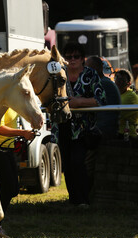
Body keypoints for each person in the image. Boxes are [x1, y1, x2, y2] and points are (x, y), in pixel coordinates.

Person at [54, 42, 106, 208]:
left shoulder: (91, 75)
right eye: (68, 57)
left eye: (76, 56)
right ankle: (74, 200)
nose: (72, 60)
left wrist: (78, 102)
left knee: (78, 162)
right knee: (67, 165)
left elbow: (101, 100)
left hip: (84, 129)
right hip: (63, 125)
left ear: (83, 59)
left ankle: (84, 200)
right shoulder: (59, 74)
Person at [0, 108, 35, 236]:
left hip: (8, 148)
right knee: (8, 188)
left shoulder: (13, 104)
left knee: (13, 189)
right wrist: (23, 133)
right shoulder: (2, 105)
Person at [85, 56, 121, 139]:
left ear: (97, 68)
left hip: (104, 132)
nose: (84, 71)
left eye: (87, 68)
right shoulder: (103, 82)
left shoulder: (103, 84)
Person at [114, 69, 138, 141]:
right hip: (119, 133)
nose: (118, 82)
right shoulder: (117, 94)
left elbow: (116, 114)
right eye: (117, 78)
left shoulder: (130, 96)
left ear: (129, 83)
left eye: (121, 80)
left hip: (126, 136)